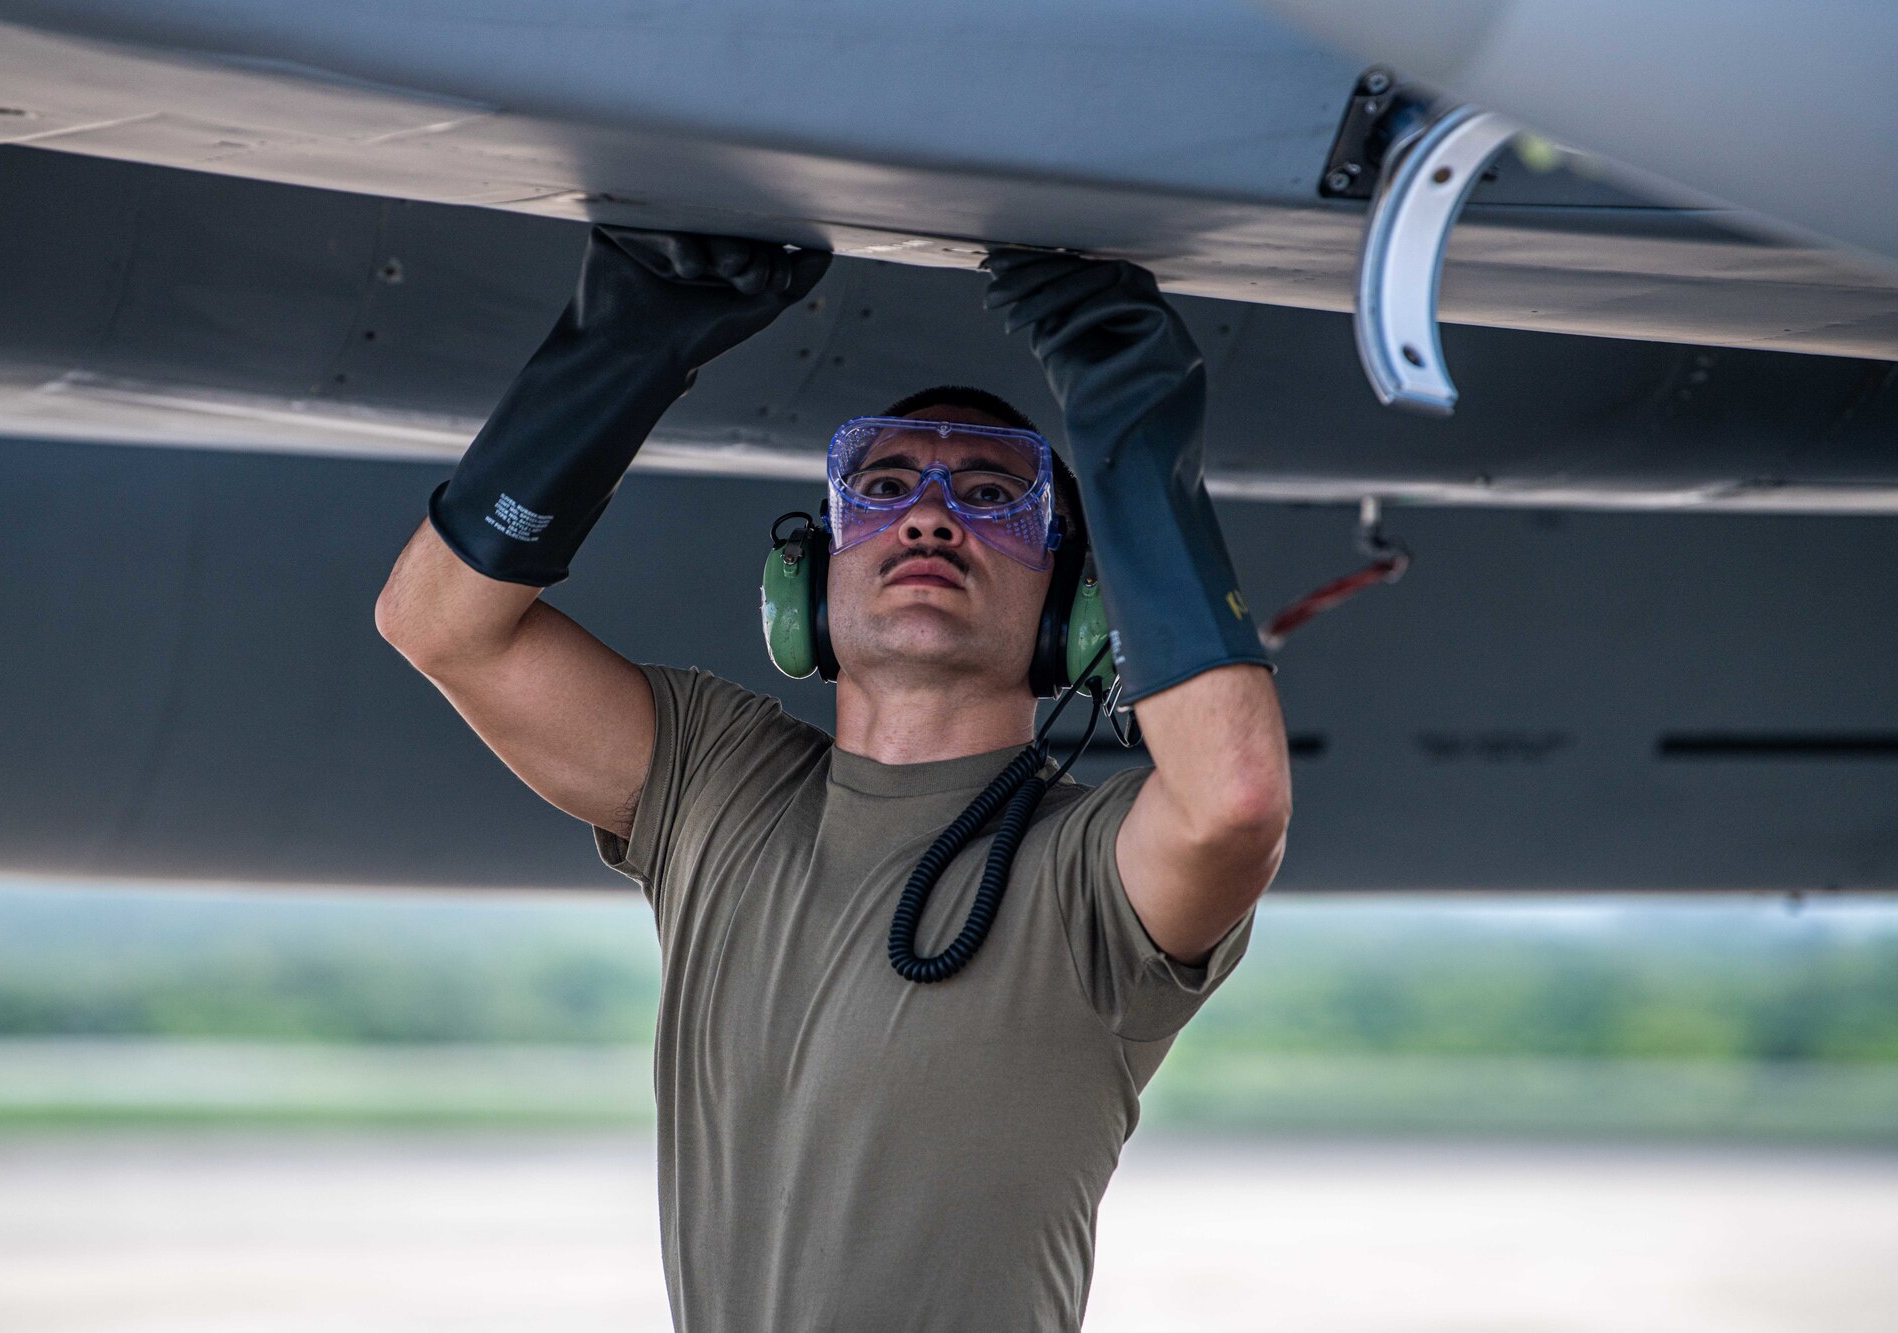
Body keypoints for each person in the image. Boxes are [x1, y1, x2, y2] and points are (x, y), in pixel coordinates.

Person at [375, 227, 1291, 1332]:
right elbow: (440, 626)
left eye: (993, 496)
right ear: (806, 583)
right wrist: (636, 338)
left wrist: (1129, 421)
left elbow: (1232, 799)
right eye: (886, 484)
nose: (926, 513)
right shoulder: (720, 784)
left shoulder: (1082, 878)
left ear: (1072, 613)